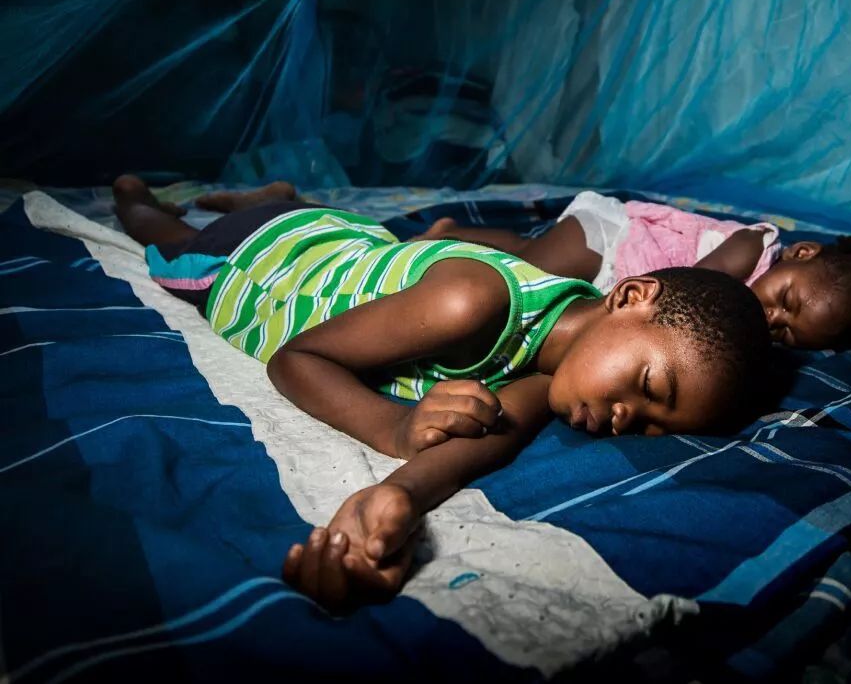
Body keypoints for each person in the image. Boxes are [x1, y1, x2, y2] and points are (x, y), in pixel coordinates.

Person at [112, 175, 772, 612]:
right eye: (651, 386)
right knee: (163, 234)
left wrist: (396, 499)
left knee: (288, 215)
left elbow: (473, 450)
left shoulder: (551, 377)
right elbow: (297, 358)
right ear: (629, 295)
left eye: (655, 425)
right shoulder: (472, 300)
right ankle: (139, 193)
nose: (629, 417)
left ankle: (278, 197)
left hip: (347, 239)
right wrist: (394, 429)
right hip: (269, 257)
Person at [417, 191, 851, 350]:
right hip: (612, 241)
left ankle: (453, 232)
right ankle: (447, 238)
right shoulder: (753, 247)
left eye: (787, 332)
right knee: (531, 262)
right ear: (800, 254)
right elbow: (693, 285)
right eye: (787, 300)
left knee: (531, 256)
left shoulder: (756, 314)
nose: (773, 317)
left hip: (620, 270)